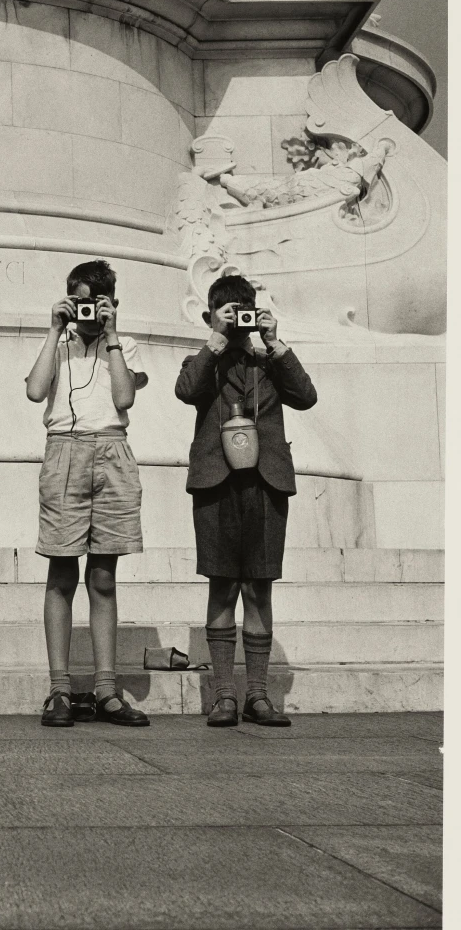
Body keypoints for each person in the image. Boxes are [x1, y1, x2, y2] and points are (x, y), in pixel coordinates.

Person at [176, 274, 317, 728]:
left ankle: (257, 694)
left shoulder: (269, 363)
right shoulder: (205, 361)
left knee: (259, 588)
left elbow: (306, 396)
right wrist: (216, 340)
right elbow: (186, 391)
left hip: (266, 482)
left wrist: (275, 343)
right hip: (216, 483)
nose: (239, 321)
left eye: (245, 312)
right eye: (230, 313)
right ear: (211, 316)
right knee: (222, 585)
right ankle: (223, 695)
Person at [25, 259, 149, 729]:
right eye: (79, 301)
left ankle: (105, 689)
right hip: (64, 452)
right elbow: (37, 392)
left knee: (103, 578)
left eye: (96, 303)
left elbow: (124, 399)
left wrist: (113, 335)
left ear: (112, 304)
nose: (88, 312)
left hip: (112, 453)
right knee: (61, 573)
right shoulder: (59, 346)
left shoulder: (126, 346)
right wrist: (53, 330)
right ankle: (58, 688)